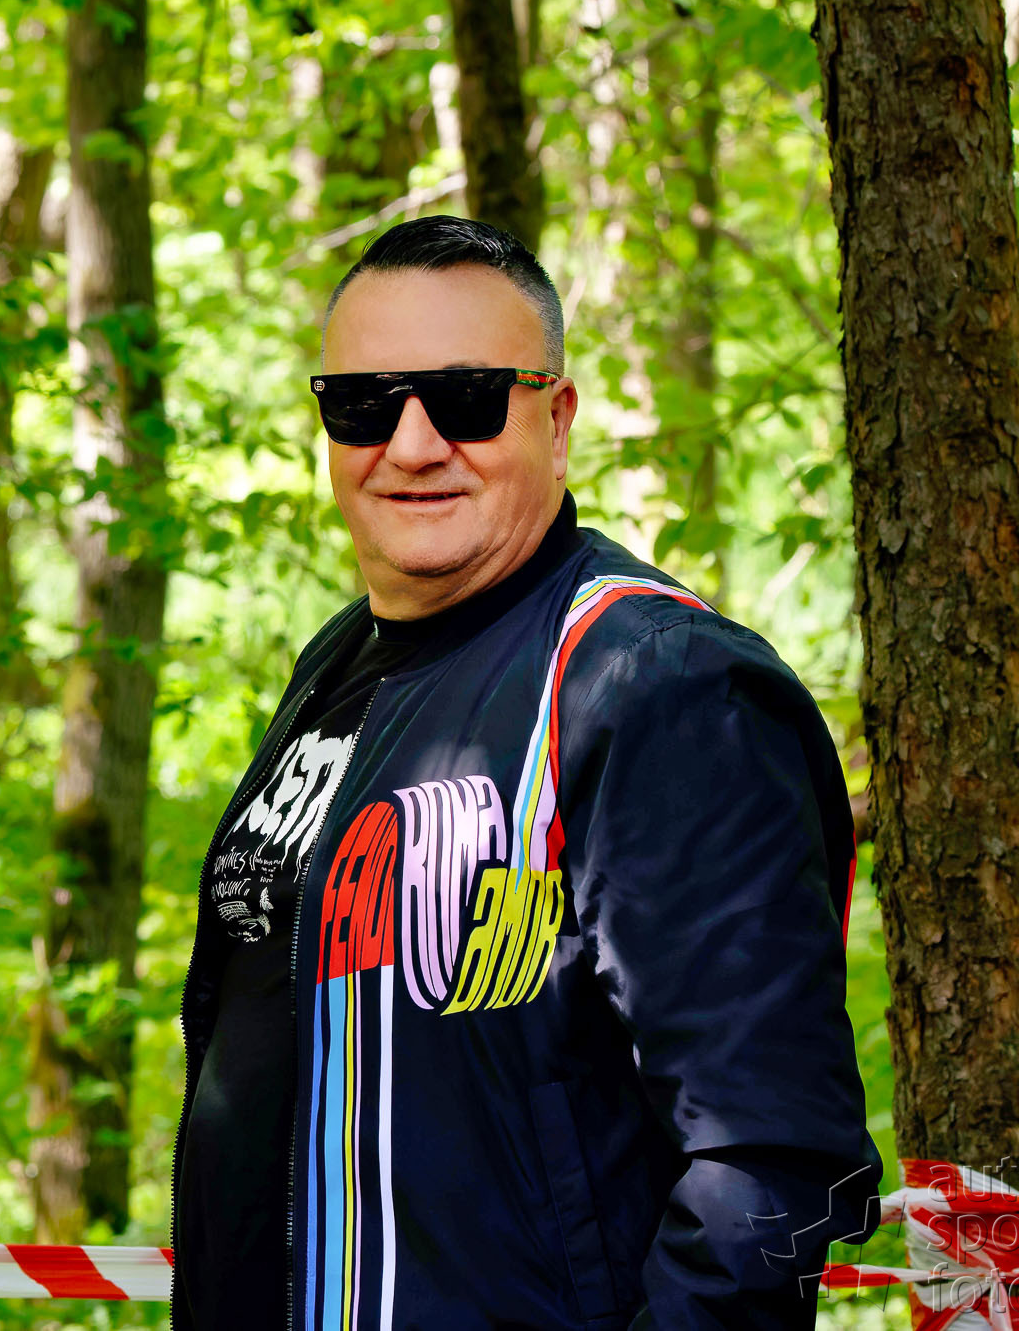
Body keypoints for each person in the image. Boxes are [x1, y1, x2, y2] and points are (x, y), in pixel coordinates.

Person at [170, 215, 879, 1330]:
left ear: (555, 418)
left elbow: (772, 1161)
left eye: (465, 399)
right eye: (363, 404)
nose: (410, 445)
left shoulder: (656, 685)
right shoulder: (337, 663)